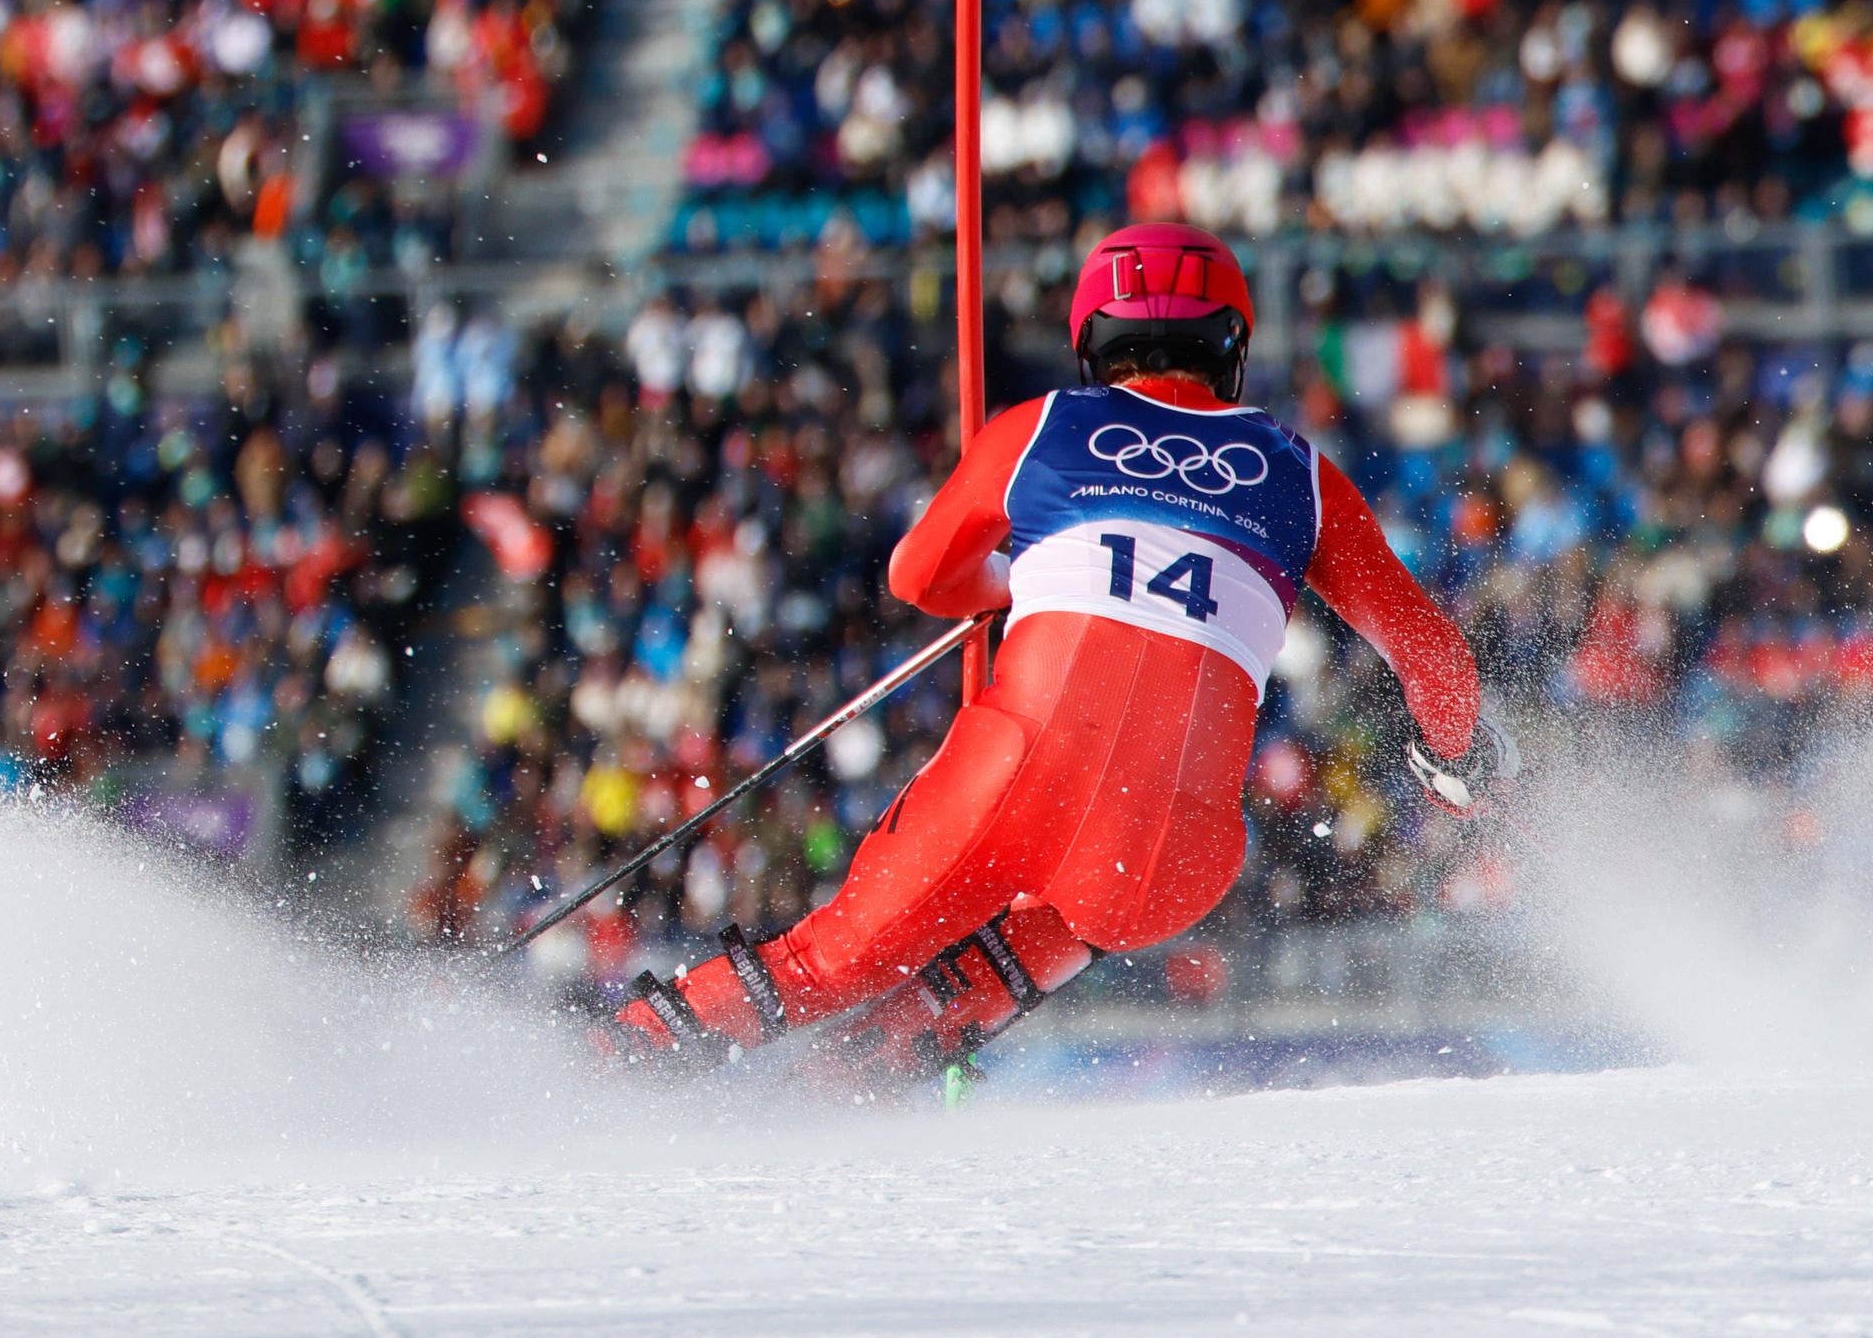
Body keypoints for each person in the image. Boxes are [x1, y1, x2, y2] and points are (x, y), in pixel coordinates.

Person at [606, 221, 1487, 1083]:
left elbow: (918, 574)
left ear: (1093, 340)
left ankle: (609, 1063)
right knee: (1086, 901)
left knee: (828, 963)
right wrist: (1453, 759)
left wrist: (1018, 583)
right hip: (1180, 848)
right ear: (1232, 345)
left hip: (1016, 778)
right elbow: (1436, 659)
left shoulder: (1042, 426)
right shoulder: (1303, 473)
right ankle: (920, 1034)